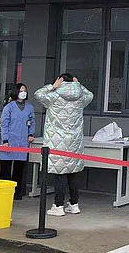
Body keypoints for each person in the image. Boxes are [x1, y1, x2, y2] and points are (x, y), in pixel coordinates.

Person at [35, 73, 93, 217]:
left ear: (60, 81)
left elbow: (38, 94)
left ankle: (58, 205)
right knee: (73, 173)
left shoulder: (53, 96)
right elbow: (90, 95)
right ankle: (74, 204)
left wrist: (52, 86)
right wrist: (78, 85)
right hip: (75, 142)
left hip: (57, 142)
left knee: (60, 174)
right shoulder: (80, 98)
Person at [0, 84, 35, 200]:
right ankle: (4, 191)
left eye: (25, 90)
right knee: (6, 167)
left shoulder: (29, 108)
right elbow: (4, 124)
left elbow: (32, 122)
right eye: (21, 91)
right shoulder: (9, 107)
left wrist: (31, 134)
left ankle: (17, 193)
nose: (23, 93)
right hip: (9, 139)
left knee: (19, 168)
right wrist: (5, 140)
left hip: (22, 140)